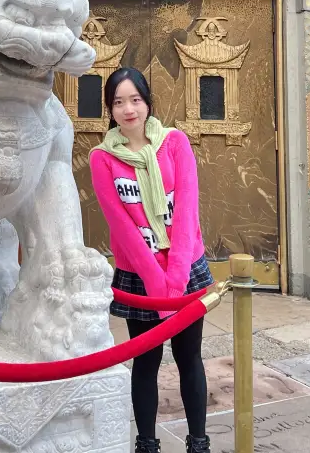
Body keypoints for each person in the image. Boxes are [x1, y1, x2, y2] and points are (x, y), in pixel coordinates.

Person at [89, 67, 213, 453]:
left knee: (189, 357)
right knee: (145, 362)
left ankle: (198, 442)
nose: (129, 109)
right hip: (138, 278)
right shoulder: (102, 158)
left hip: (185, 269)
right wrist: (157, 284)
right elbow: (121, 226)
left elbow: (188, 211)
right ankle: (147, 443)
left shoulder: (174, 143)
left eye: (135, 99)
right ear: (110, 110)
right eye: (119, 102)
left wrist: (175, 277)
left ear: (147, 102)